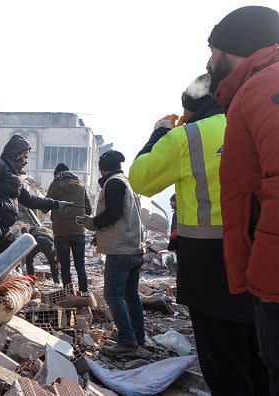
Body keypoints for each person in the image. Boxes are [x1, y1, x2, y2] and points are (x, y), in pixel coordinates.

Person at [129, 73, 269, 395]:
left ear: (188, 109)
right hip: (261, 256)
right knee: (262, 359)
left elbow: (140, 178)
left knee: (224, 367)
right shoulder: (259, 121)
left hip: (208, 268)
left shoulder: (186, 138)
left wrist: (160, 134)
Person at [207, 6, 279, 395]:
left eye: (212, 49)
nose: (208, 60)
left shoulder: (265, 87)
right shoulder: (255, 90)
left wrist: (263, 277)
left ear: (232, 48)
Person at [0, 135, 74, 280]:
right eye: (25, 156)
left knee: (1, 271)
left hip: (2, 231)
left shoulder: (15, 178)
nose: (27, 160)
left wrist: (55, 204)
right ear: (17, 154)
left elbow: (30, 200)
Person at [80, 150, 144, 355]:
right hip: (134, 247)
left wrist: (92, 223)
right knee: (130, 295)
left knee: (112, 294)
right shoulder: (127, 182)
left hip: (121, 250)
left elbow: (113, 214)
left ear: (102, 167)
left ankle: (127, 341)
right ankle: (137, 336)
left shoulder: (114, 183)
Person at [46, 163, 92, 292]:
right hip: (79, 231)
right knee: (80, 265)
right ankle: (84, 293)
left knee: (65, 266)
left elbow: (44, 208)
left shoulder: (54, 185)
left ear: (56, 174)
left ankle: (68, 293)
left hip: (61, 233)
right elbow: (88, 210)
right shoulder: (80, 185)